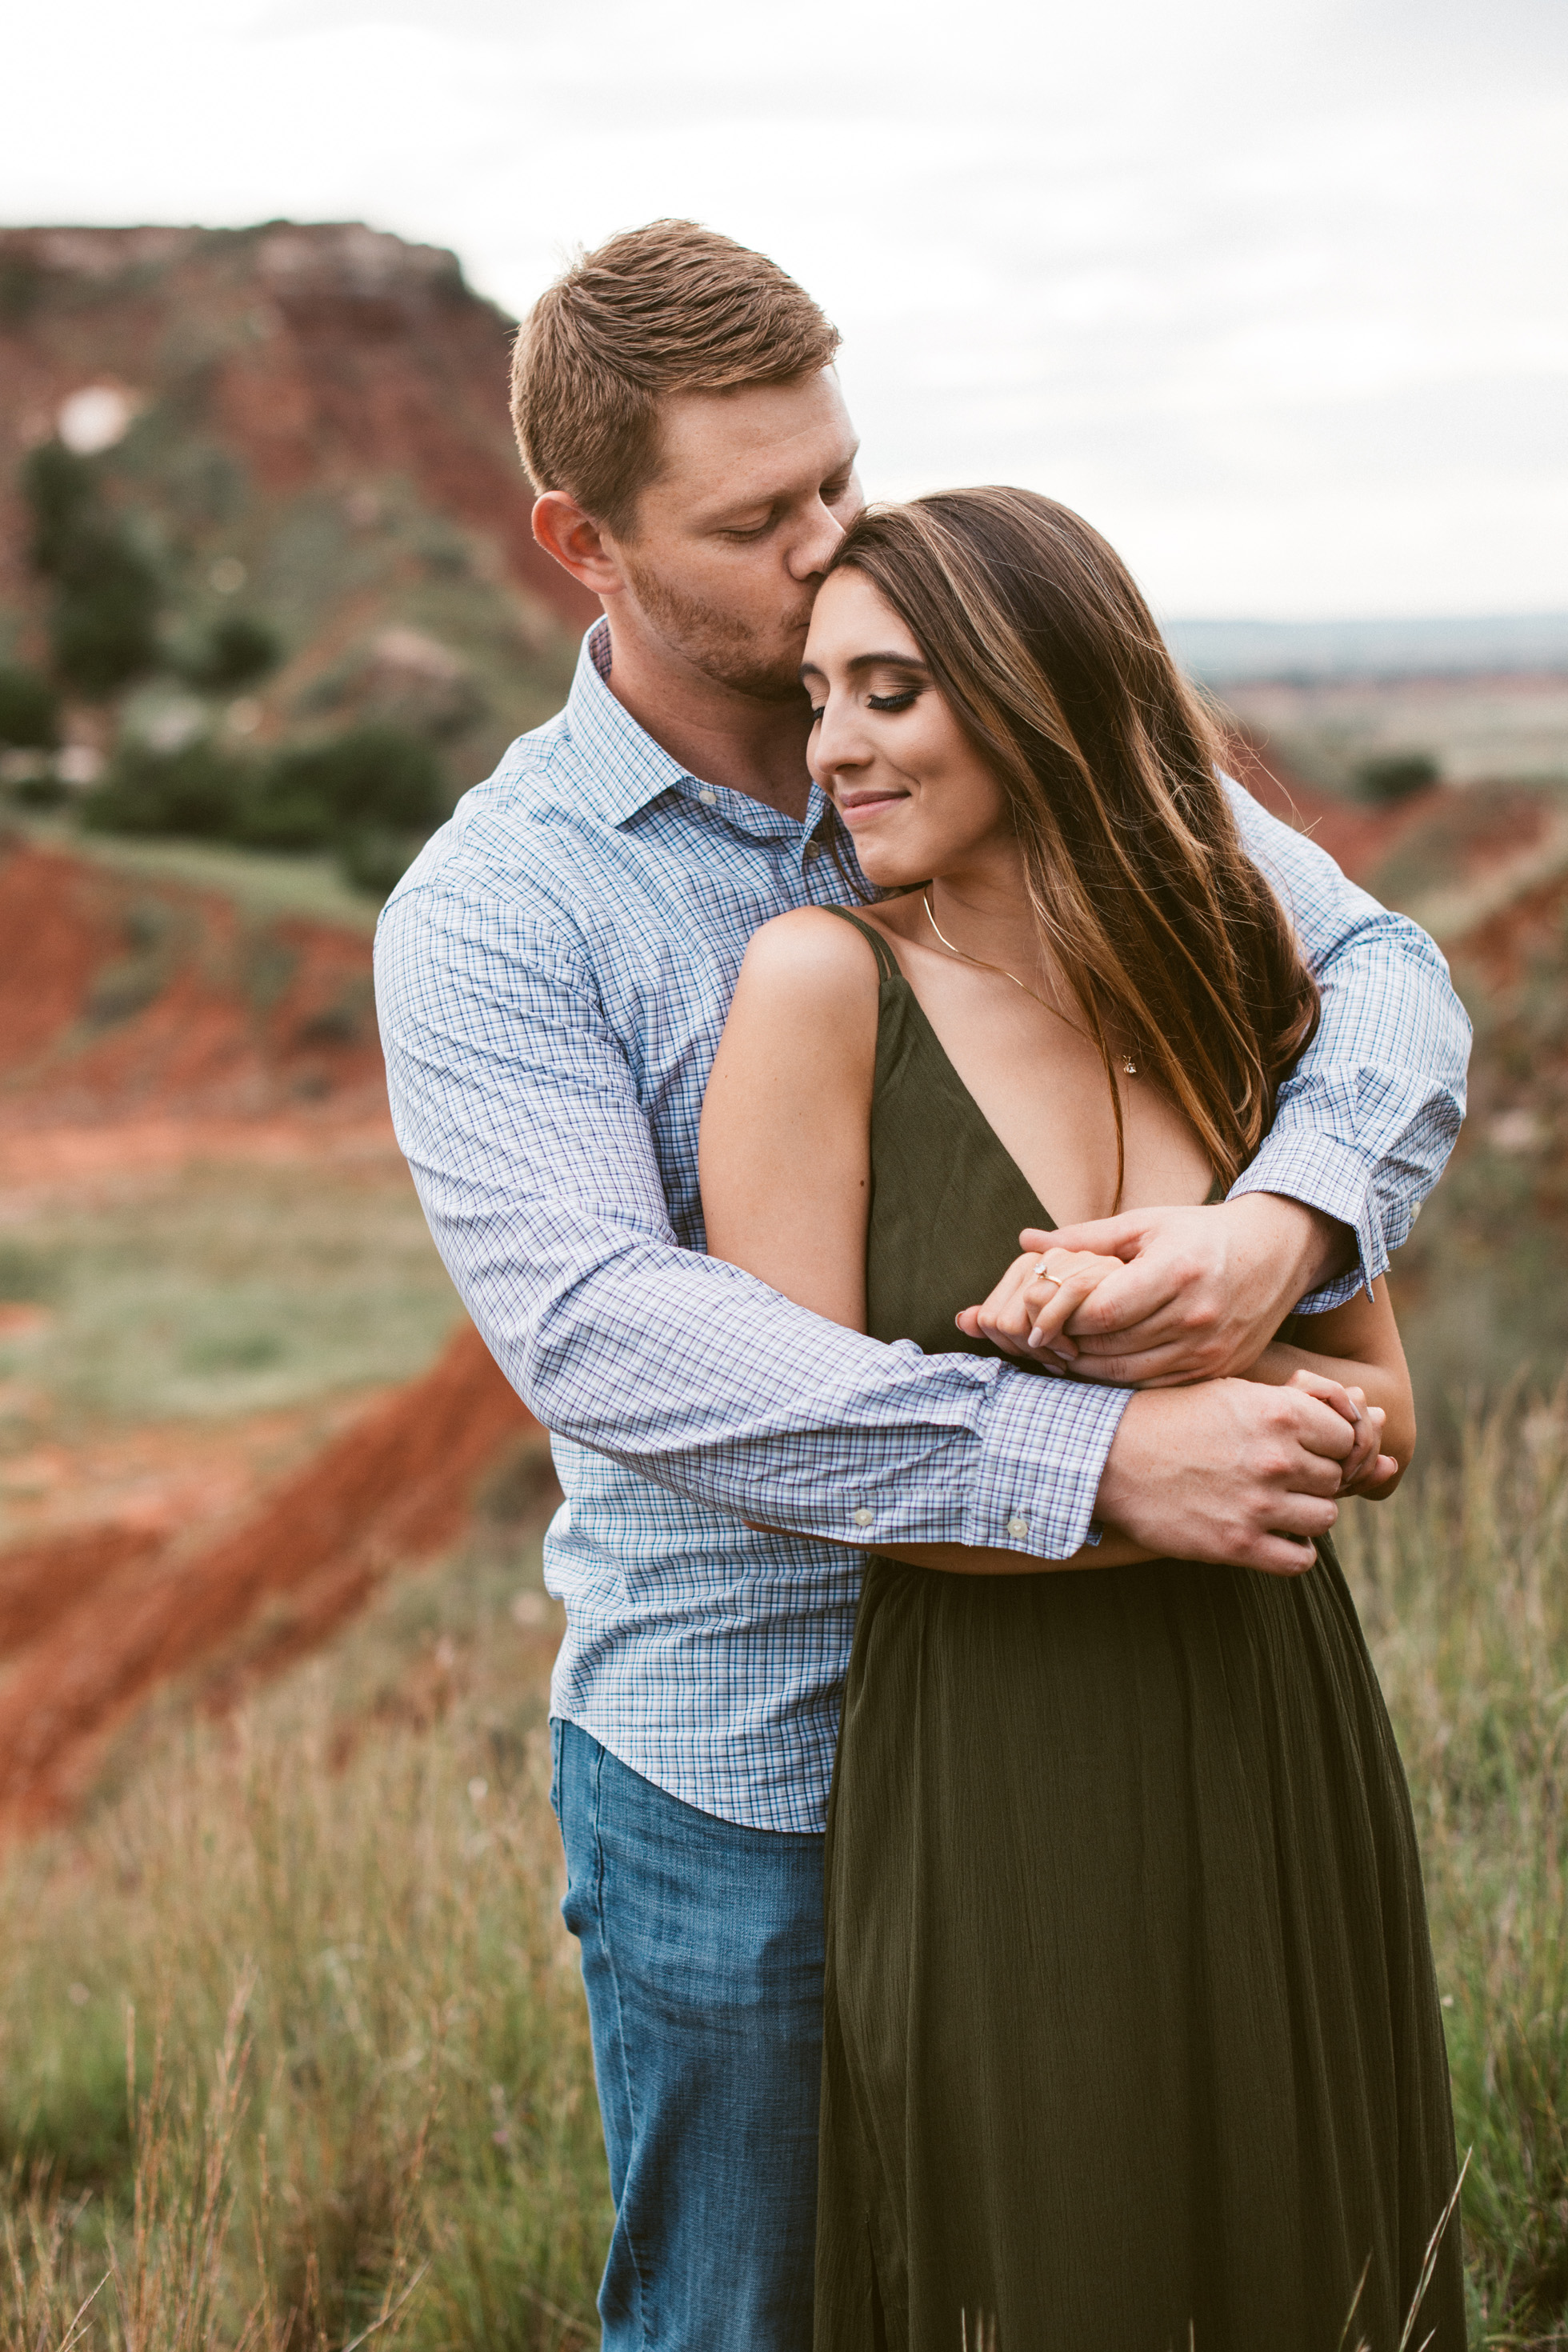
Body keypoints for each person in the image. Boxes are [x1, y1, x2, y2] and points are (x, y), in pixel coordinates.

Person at [372, 222, 1470, 2352]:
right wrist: (1097, 1454)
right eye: (755, 519)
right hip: (752, 1754)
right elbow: (606, 1333)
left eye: (840, 484)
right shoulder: (502, 910)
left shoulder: (1001, 731)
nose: (824, 551)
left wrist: (1282, 1231)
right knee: (756, 2315)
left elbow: (1378, 975)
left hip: (1111, 1722)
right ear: (578, 539)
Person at [699, 487, 1464, 2352]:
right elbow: (803, 1461)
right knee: (1056, 2262)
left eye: (889, 690)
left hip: (1273, 1704)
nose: (835, 749)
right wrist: (1131, 1465)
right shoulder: (819, 983)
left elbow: (1379, 1408)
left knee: (1310, 2253)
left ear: (1031, 685)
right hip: (998, 1742)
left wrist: (1230, 1368)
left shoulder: (1230, 969)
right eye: (818, 697)